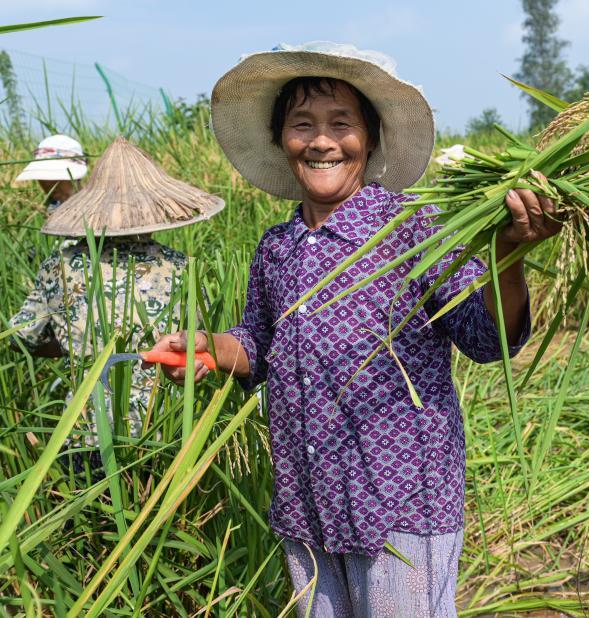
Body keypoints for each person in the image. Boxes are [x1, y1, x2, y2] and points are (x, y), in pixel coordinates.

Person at [149, 42, 560, 617]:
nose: (321, 141)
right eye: (302, 125)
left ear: (368, 137)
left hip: (400, 505)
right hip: (307, 501)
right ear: (281, 140)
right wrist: (210, 349)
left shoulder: (415, 227)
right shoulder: (278, 248)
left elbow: (486, 338)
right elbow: (259, 344)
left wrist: (509, 256)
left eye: (341, 123)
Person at [10, 136, 224, 471]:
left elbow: (22, 337)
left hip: (85, 432)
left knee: (89, 524)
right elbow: (204, 344)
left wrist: (76, 345)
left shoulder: (62, 264)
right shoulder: (182, 267)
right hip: (163, 432)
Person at [13, 134, 88, 214]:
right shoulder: (53, 207)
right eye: (42, 176)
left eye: (56, 177)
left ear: (77, 178)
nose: (48, 183)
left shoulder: (94, 210)